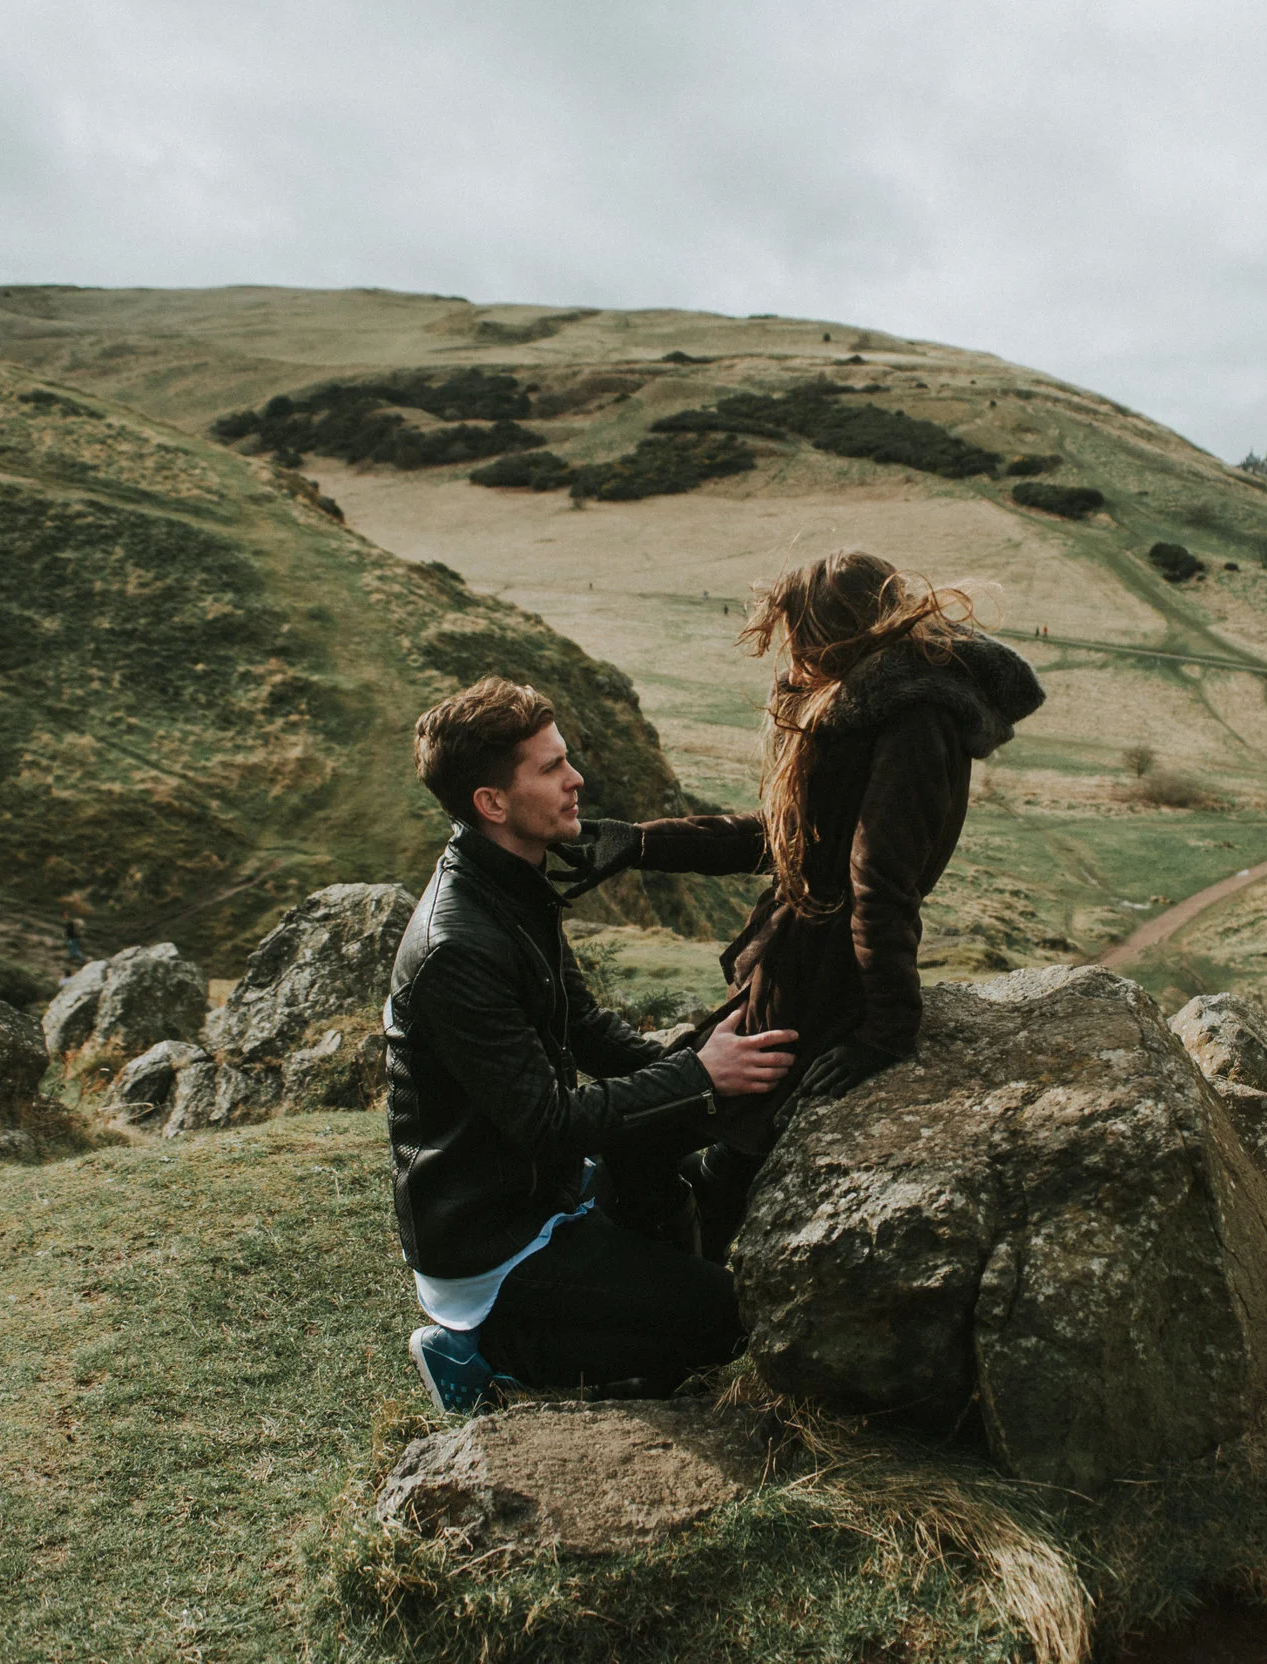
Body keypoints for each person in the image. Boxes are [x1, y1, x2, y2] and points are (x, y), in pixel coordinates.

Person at [548, 550, 1045, 1257]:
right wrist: (639, 843)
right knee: (679, 1141)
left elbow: (881, 883)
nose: (788, 654)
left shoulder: (910, 722)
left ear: (832, 629)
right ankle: (669, 1306)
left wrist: (886, 1033)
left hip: (818, 986)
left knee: (684, 1145)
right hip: (794, 970)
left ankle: (683, 1327)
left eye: (796, 634)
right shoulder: (873, 705)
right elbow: (788, 841)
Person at [385, 677, 798, 1412]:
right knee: (733, 1323)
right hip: (495, 1242)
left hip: (539, 1189)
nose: (577, 780)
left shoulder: (511, 885)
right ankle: (488, 1356)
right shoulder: (458, 946)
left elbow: (586, 1030)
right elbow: (547, 1120)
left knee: (685, 1213)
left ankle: (620, 1290)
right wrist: (698, 1077)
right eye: (550, 768)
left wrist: (705, 1068)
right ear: (492, 804)